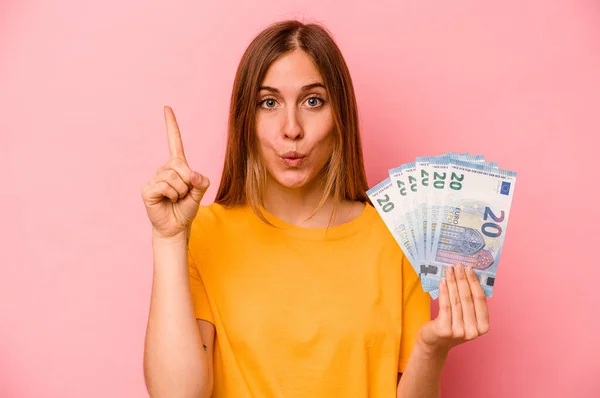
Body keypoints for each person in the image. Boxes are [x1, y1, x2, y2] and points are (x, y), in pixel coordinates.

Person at [141, 19, 490, 398]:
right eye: (269, 102)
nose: (292, 128)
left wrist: (431, 349)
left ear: (339, 116)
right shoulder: (205, 232)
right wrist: (168, 239)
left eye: (312, 101)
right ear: (246, 119)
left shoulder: (396, 237)